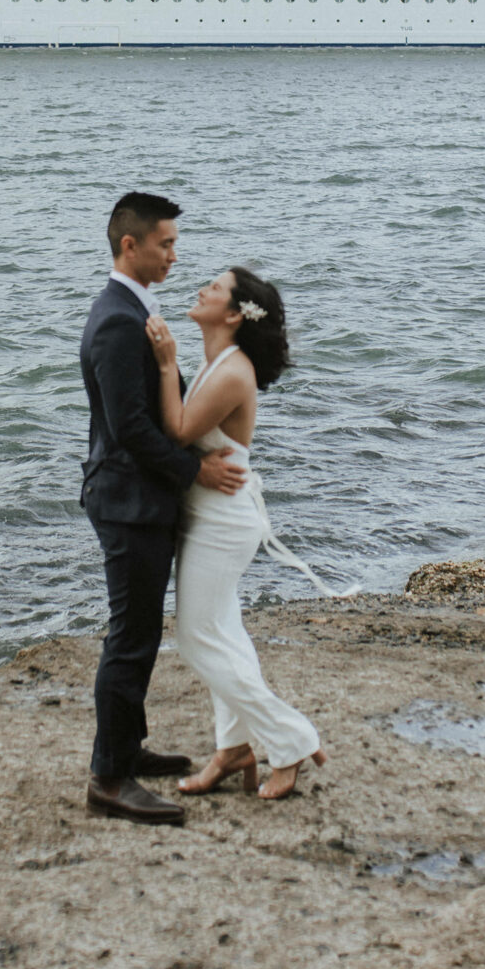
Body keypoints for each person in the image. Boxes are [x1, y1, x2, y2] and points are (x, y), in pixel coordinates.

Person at [79, 192, 246, 827]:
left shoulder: (132, 308)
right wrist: (194, 469)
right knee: (131, 637)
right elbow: (129, 430)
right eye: (166, 245)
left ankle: (129, 748)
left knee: (141, 632)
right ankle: (109, 779)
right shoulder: (120, 320)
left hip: (135, 497)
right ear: (131, 245)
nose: (175, 256)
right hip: (127, 501)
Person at [144, 267, 331, 800]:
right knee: (225, 632)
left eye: (215, 287)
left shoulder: (232, 370)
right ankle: (232, 748)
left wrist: (164, 365)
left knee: (196, 637)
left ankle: (291, 739)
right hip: (213, 512)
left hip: (223, 523)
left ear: (233, 314)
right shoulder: (220, 362)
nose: (201, 288)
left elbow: (179, 430)